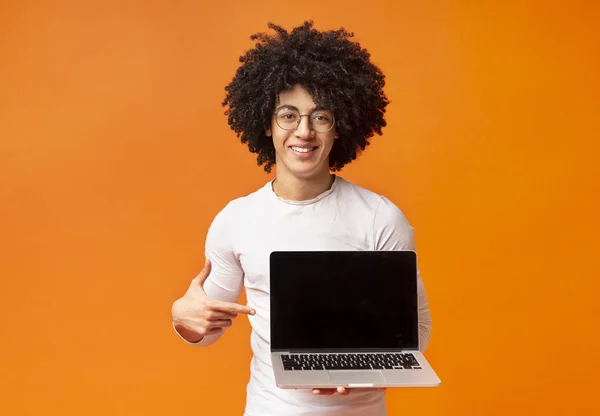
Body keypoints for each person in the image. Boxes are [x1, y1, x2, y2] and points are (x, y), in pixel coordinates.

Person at [171, 21, 432, 416]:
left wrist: (359, 371)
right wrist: (183, 318)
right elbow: (204, 332)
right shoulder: (236, 220)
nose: (304, 131)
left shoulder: (381, 218)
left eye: (320, 117)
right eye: (288, 115)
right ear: (266, 123)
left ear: (339, 126)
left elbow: (419, 332)